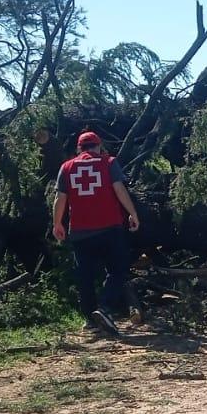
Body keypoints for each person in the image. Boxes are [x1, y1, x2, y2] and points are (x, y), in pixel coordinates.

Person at [52, 131, 140, 334]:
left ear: (79, 149)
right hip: (110, 227)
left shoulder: (67, 167)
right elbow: (119, 189)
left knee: (85, 275)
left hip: (80, 230)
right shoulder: (108, 163)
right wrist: (132, 213)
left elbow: (60, 198)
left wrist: (57, 223)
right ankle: (105, 308)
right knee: (117, 269)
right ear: (98, 147)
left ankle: (90, 319)